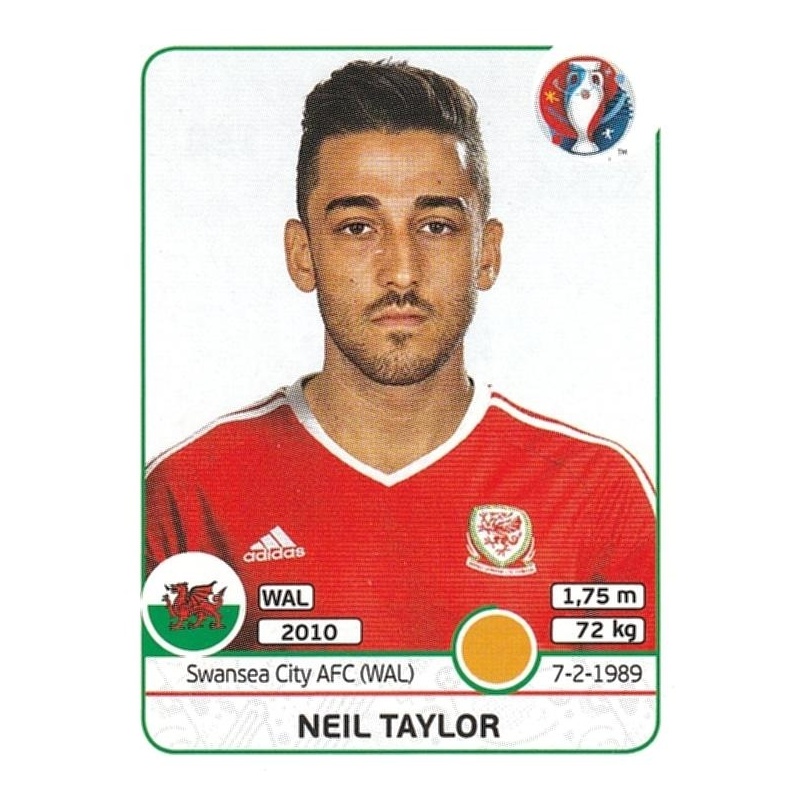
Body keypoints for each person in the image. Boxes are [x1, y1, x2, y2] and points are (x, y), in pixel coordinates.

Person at [145, 60, 656, 652]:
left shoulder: (599, 493)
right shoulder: (189, 490)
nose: (402, 272)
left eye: (436, 226)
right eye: (357, 228)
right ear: (302, 254)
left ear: (487, 253)